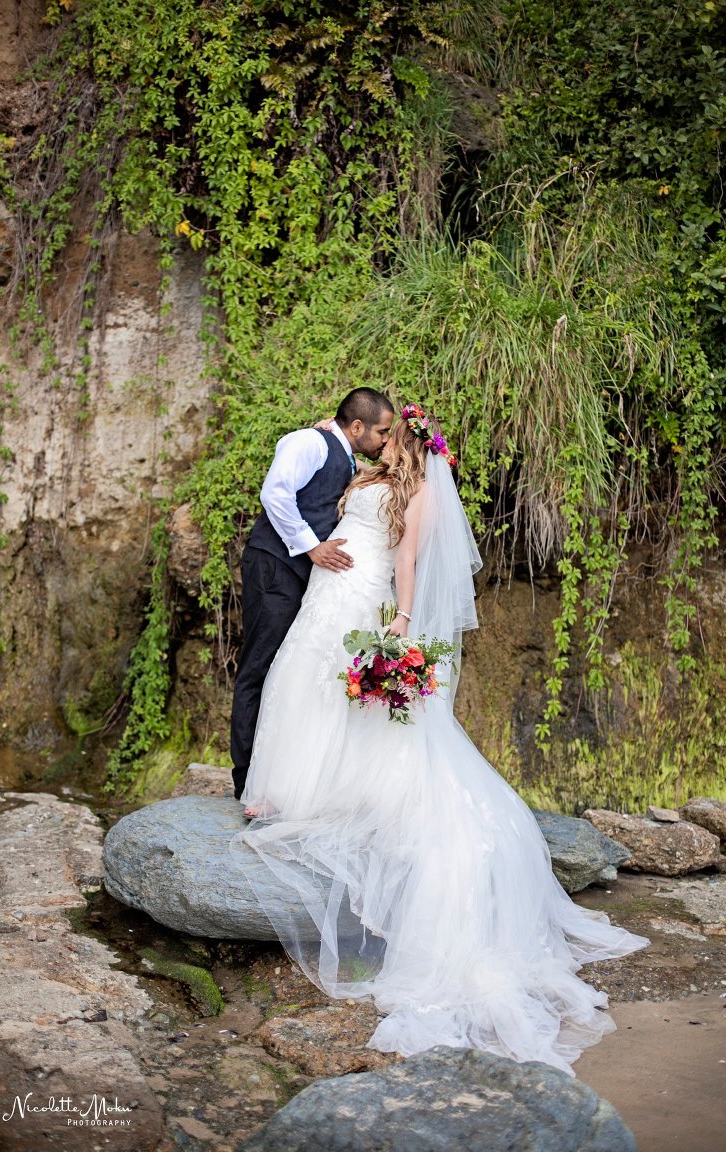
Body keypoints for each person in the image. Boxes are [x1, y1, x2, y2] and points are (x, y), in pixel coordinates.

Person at [231, 404, 649, 1074]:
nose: (386, 443)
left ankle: (332, 791)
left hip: (362, 589)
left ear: (408, 444)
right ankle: (284, 787)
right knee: (297, 677)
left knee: (332, 684)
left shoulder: (420, 493)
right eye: (383, 433)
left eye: (394, 437)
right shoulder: (362, 475)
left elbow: (407, 560)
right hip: (326, 587)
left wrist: (399, 619)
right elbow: (321, 495)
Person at [230, 387, 395, 800]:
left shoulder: (348, 456)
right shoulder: (309, 442)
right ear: (357, 426)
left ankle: (275, 776)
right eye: (381, 432)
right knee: (260, 667)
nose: (385, 440)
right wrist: (311, 546)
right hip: (274, 568)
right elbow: (275, 493)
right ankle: (246, 778)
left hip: (303, 580)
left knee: (286, 671)